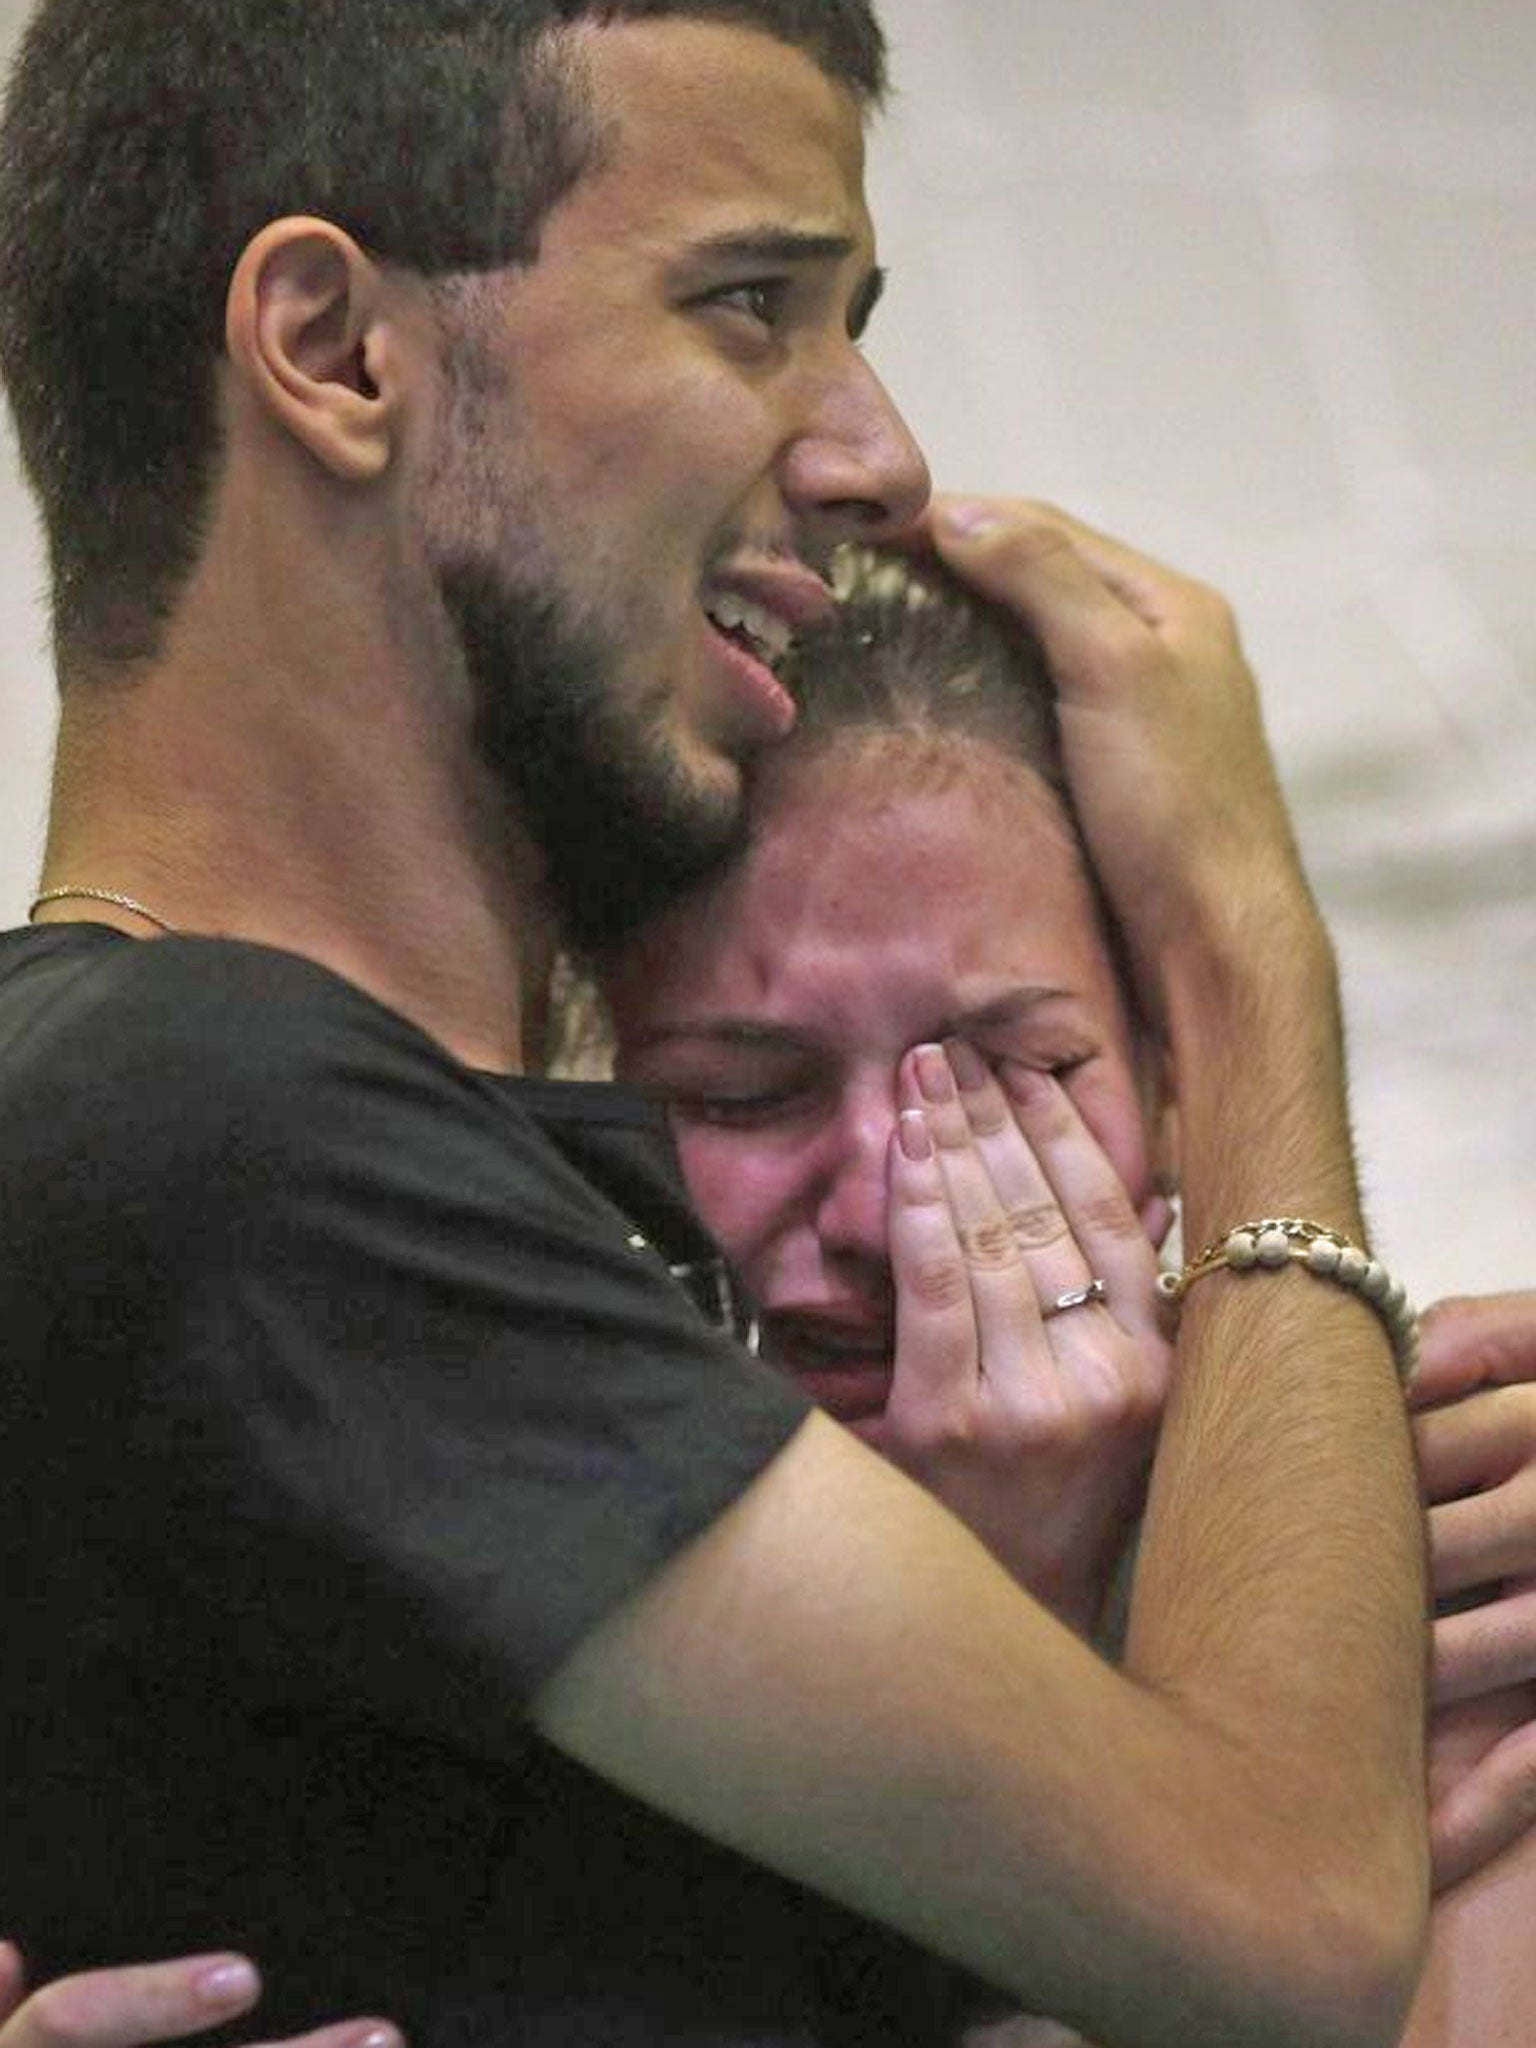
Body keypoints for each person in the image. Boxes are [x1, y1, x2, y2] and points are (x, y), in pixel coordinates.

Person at [0, 3, 1430, 2045]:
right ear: (333, 348)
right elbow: (1291, 1918)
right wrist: (1244, 948)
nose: (876, 455)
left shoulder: (145, 1108)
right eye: (749, 304)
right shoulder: (229, 1122)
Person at [5, 563, 1535, 2048]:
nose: (889, 1202)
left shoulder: (1449, 1592)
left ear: (1176, 1086)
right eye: (745, 1092)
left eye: (1020, 1066)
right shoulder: (328, 1670)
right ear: (550, 1134)